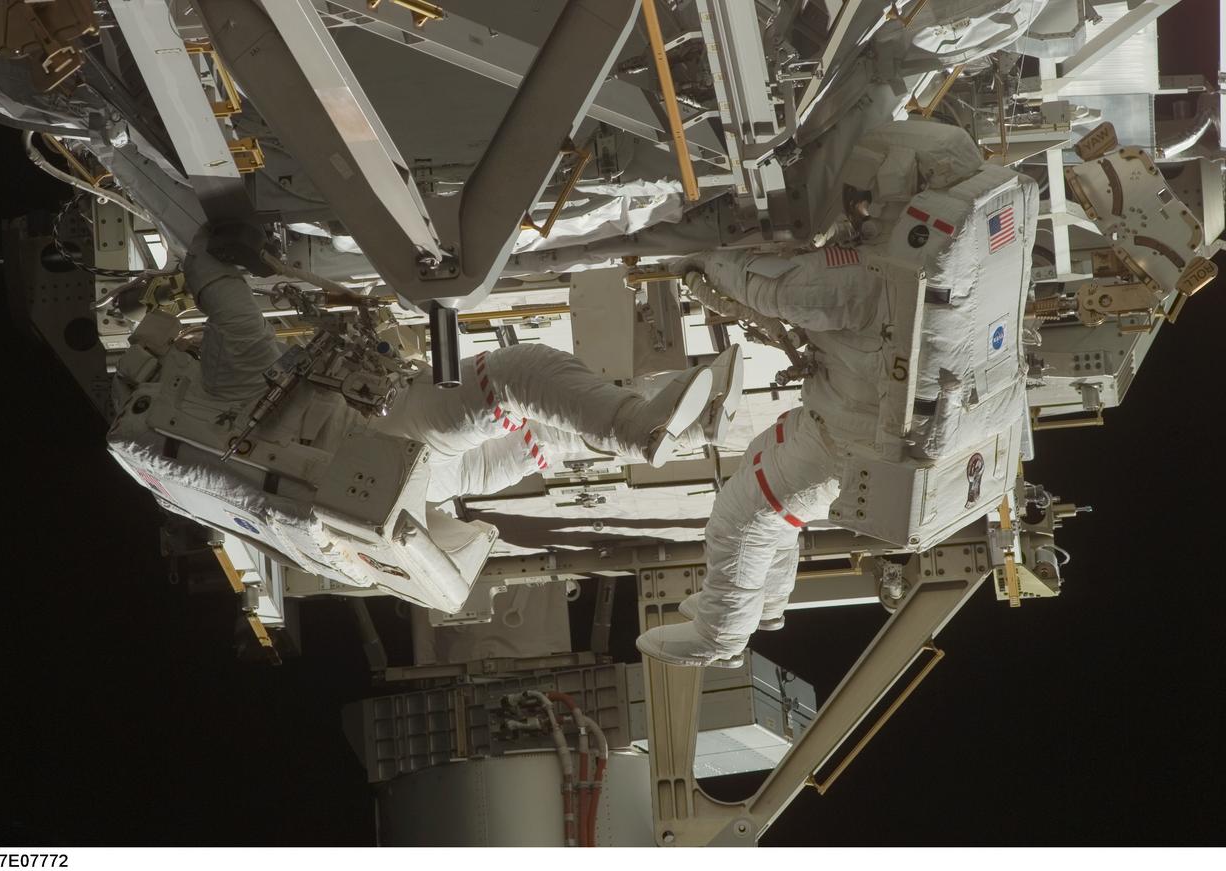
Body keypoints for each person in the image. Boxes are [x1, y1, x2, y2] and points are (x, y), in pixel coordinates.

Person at [109, 229, 741, 612]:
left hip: (417, 487)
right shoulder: (227, 380)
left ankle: (693, 425)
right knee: (517, 376)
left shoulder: (196, 444)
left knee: (547, 434)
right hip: (386, 448)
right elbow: (215, 276)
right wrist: (208, 251)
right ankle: (641, 426)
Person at [637, 119, 1038, 667]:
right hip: (882, 430)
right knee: (762, 474)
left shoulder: (873, 276)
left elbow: (777, 289)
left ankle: (719, 638)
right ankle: (766, 605)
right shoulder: (974, 254)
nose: (856, 203)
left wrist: (702, 259)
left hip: (850, 442)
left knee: (742, 517)